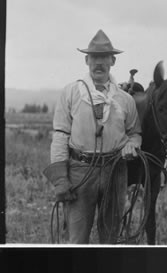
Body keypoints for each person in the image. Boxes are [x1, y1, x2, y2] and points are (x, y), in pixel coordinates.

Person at [43, 29, 142, 244]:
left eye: (104, 57)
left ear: (112, 61)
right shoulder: (71, 93)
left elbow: (135, 133)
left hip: (116, 171)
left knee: (111, 238)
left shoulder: (125, 100)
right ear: (87, 60)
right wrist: (61, 179)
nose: (99, 63)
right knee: (77, 239)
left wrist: (132, 145)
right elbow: (60, 135)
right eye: (94, 57)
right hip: (80, 172)